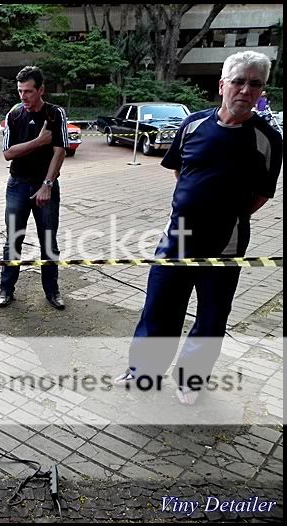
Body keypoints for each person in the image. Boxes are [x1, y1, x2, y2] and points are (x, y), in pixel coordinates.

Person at [114, 51, 283, 405]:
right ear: (222, 85)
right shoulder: (193, 125)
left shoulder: (267, 139)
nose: (245, 90)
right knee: (159, 306)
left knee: (211, 315)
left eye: (255, 84)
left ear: (261, 90)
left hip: (226, 242)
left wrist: (227, 215)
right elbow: (181, 171)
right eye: (238, 81)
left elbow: (263, 194)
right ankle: (143, 371)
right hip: (177, 236)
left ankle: (191, 379)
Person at [0, 66, 69, 310]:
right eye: (20, 91)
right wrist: (39, 141)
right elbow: (8, 153)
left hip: (46, 185)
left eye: (28, 91)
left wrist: (47, 185)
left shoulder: (55, 114)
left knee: (48, 241)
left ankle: (52, 291)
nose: (23, 97)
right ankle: (6, 289)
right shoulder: (15, 114)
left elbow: (59, 152)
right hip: (17, 184)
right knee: (12, 240)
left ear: (41, 89)